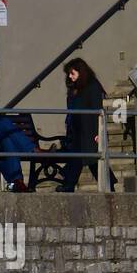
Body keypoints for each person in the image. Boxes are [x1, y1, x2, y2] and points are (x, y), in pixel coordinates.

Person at [59, 57, 115, 192]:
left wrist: (98, 132)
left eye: (73, 73)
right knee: (80, 159)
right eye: (69, 74)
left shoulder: (92, 86)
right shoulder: (75, 89)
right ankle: (69, 184)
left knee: (91, 159)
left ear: (81, 72)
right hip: (78, 131)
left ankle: (109, 184)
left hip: (89, 131)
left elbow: (98, 110)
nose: (70, 77)